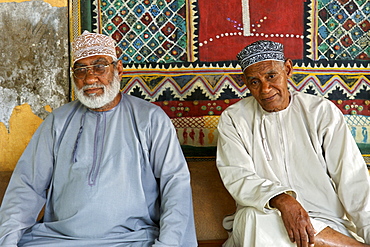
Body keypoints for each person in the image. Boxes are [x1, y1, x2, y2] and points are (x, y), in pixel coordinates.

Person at [0, 31, 197, 247]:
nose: (90, 78)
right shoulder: (58, 121)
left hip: (133, 239)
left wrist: (167, 244)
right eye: (81, 70)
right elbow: (27, 185)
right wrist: (7, 241)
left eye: (99, 66)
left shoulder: (150, 119)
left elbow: (175, 184)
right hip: (60, 240)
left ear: (118, 69)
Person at [216, 40, 370, 247]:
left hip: (326, 221)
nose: (265, 89)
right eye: (254, 82)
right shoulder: (234, 119)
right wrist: (282, 199)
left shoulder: (321, 111)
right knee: (254, 217)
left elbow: (353, 179)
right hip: (266, 218)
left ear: (287, 69)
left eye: (271, 76)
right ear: (245, 83)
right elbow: (237, 176)